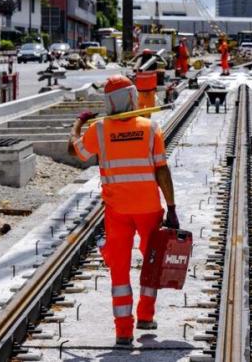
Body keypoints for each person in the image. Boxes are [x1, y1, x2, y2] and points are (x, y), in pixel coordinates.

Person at [67, 75, 179, 346]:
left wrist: (79, 123)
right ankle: (146, 315)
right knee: (151, 263)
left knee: (119, 270)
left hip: (117, 211)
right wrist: (172, 208)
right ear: (132, 97)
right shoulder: (151, 128)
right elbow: (162, 171)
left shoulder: (99, 130)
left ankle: (123, 332)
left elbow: (74, 151)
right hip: (149, 209)